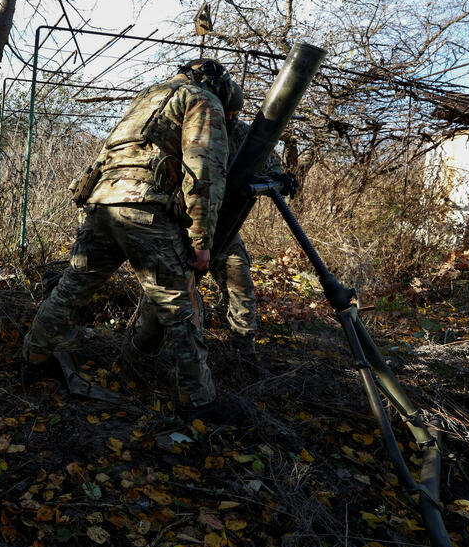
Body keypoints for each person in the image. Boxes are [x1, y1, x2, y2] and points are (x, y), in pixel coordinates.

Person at [23, 59, 232, 414]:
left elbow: (109, 153)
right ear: (214, 82)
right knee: (178, 306)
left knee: (72, 287)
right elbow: (204, 172)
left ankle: (34, 356)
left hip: (101, 203)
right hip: (144, 208)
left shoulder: (148, 96)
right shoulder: (200, 99)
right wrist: (201, 240)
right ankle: (199, 402)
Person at [208, 84, 294, 354]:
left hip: (224, 223)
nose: (230, 119)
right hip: (183, 221)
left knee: (240, 279)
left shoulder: (245, 134)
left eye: (234, 114)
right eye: (226, 113)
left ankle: (242, 349)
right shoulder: (195, 128)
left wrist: (280, 179)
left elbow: (273, 168)